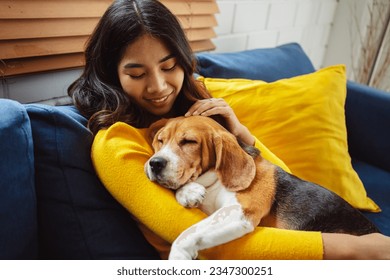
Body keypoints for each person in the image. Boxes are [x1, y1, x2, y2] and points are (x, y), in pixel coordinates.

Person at [68, 0, 390, 260]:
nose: (158, 86)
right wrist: (355, 248)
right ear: (112, 75)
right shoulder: (116, 142)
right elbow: (201, 238)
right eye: (136, 73)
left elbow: (277, 185)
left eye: (168, 67)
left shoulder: (200, 116)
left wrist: (240, 133)